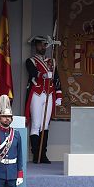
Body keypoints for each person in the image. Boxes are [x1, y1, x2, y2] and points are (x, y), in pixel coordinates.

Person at [24, 35, 62, 164]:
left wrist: (59, 95)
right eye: (41, 45)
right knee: (35, 124)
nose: (43, 47)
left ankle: (43, 154)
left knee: (45, 125)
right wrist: (43, 74)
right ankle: (36, 153)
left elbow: (56, 79)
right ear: (36, 46)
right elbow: (33, 73)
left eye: (45, 45)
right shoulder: (31, 61)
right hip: (37, 93)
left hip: (49, 94)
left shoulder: (52, 62)